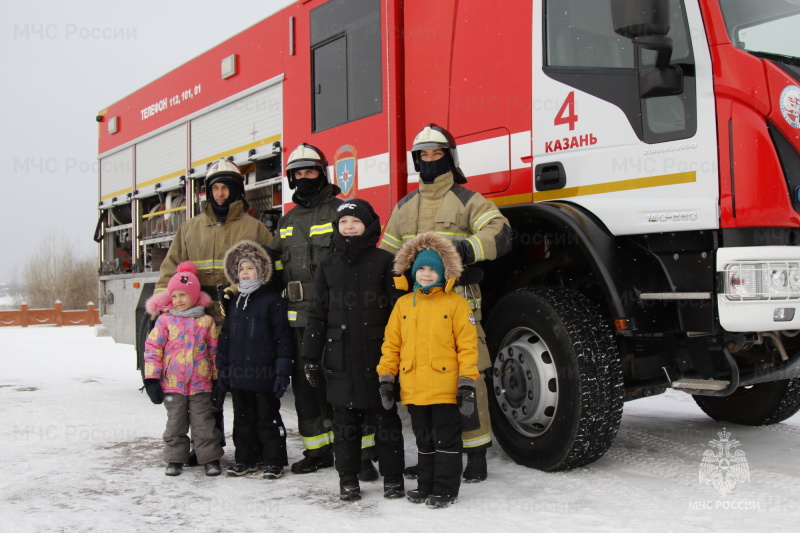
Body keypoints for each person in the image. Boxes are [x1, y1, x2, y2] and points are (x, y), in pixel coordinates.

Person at [379, 124, 512, 483]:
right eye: (423, 155)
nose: (430, 161)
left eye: (437, 154)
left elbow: (500, 232)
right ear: (415, 160)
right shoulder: (405, 207)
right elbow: (385, 256)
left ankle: (477, 456)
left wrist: (468, 249)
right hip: (418, 313)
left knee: (470, 383)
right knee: (422, 384)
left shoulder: (468, 199)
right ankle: (431, 455)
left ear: (449, 157)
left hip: (461, 307)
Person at [155, 158, 273, 465]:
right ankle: (208, 448)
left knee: (247, 387)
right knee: (205, 389)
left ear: (237, 191)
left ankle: (254, 449)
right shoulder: (189, 229)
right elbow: (170, 272)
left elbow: (271, 272)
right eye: (215, 188)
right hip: (199, 325)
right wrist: (161, 307)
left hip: (242, 320)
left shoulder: (256, 229)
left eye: (226, 188)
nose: (220, 194)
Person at [269, 143, 377, 478]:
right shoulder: (285, 222)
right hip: (298, 320)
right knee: (306, 388)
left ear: (323, 173)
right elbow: (271, 268)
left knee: (347, 386)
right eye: (297, 173)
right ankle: (317, 450)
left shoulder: (339, 211)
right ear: (290, 178)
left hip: (337, 317)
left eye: (310, 172)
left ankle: (361, 456)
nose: (304, 178)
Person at [301, 199, 405, 501]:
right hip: (340, 358)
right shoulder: (327, 265)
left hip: (378, 359)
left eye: (355, 222)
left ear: (368, 226)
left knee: (386, 420)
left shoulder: (385, 261)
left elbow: (399, 314)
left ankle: (393, 478)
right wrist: (310, 357)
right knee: (345, 424)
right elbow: (316, 313)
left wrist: (400, 355)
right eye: (344, 222)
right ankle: (348, 478)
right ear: (337, 227)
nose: (349, 227)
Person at [377, 232, 479, 509]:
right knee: (424, 440)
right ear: (412, 272)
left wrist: (467, 383)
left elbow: (468, 346)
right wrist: (386, 378)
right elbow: (392, 344)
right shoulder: (402, 305)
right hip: (414, 387)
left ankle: (445, 489)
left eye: (432, 269)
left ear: (443, 273)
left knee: (446, 440)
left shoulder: (455, 304)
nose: (425, 274)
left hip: (445, 388)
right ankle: (425, 485)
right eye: (420, 268)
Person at [215, 239, 293, 479]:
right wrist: (223, 368)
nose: (245, 273)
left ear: (261, 271)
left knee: (267, 419)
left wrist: (282, 369)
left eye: (250, 268)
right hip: (239, 375)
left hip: (264, 374)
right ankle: (245, 459)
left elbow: (282, 338)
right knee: (242, 422)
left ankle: (273, 460)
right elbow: (226, 336)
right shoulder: (235, 302)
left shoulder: (273, 301)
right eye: (241, 269)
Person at [142, 261, 223, 477]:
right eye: (175, 296)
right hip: (172, 385)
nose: (178, 300)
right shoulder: (165, 321)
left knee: (204, 424)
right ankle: (175, 459)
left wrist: (217, 380)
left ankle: (209, 458)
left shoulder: (206, 322)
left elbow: (214, 352)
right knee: (175, 424)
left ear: (195, 296)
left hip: (201, 385)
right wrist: (151, 379)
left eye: (183, 295)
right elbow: (153, 350)